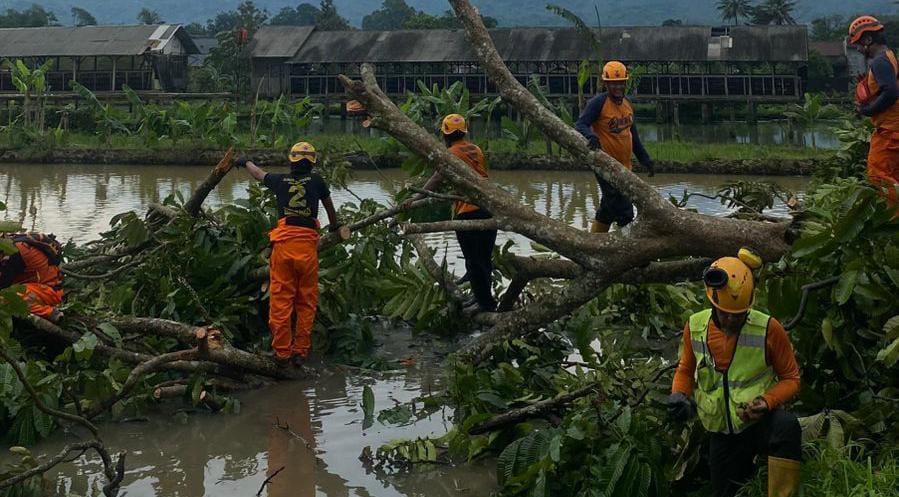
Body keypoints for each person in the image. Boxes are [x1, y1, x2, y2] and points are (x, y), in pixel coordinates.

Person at [667, 249, 802, 497]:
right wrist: (679, 395)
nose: (730, 321)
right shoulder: (695, 327)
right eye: (724, 314)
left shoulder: (769, 329)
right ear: (712, 303)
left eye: (738, 316)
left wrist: (766, 402)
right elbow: (685, 370)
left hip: (759, 423)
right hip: (722, 432)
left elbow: (791, 379)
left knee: (787, 426)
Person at [235, 142, 342, 367]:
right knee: (306, 302)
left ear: (291, 161)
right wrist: (335, 227)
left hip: (283, 248)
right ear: (312, 163)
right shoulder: (317, 181)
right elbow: (330, 207)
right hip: (307, 250)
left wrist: (245, 161)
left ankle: (282, 354)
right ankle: (300, 353)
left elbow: (258, 174)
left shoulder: (280, 180)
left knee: (281, 302)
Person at [410, 114, 497, 312]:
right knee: (483, 258)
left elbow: (436, 179)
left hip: (468, 212)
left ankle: (485, 304)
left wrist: (416, 199)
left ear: (445, 134)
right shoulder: (476, 149)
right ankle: (481, 297)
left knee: (473, 260)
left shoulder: (451, 154)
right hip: (489, 210)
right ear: (464, 132)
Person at [575, 60, 655, 233]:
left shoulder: (627, 104)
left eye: (620, 83)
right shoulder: (598, 103)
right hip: (606, 164)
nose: (617, 87)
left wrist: (645, 159)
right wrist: (591, 136)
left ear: (625, 82)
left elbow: (633, 135)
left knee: (609, 206)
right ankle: (630, 247)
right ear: (606, 84)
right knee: (621, 206)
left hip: (625, 166)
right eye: (613, 84)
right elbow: (580, 124)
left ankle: (595, 241)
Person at [849, 15, 899, 207]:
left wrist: (867, 110)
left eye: (859, 44)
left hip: (889, 132)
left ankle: (893, 223)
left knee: (879, 176)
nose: (860, 49)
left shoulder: (879, 62)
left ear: (868, 40)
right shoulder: (890, 57)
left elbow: (891, 92)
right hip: (892, 128)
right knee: (893, 178)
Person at [0, 233, 64, 322]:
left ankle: (50, 313)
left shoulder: (13, 251)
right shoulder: (12, 243)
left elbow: (3, 285)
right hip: (37, 286)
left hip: (49, 291)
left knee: (5, 297)